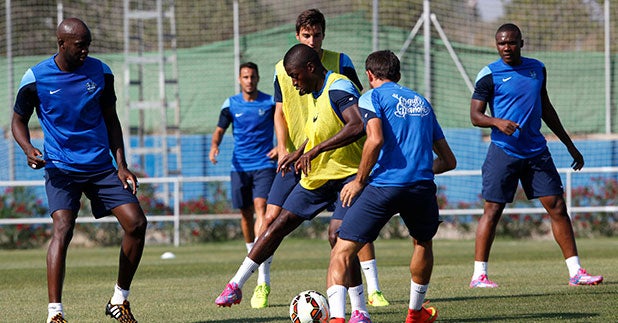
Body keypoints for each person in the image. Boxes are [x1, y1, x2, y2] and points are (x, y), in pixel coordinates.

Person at [216, 43, 372, 322]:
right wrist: (299, 151)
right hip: (318, 176)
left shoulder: (339, 87)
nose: (293, 83)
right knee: (277, 224)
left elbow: (356, 124)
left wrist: (314, 151)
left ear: (310, 68)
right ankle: (236, 285)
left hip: (348, 175)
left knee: (338, 236)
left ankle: (359, 310)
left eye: (295, 76)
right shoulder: (312, 92)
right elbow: (321, 131)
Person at [249, 8, 389, 309]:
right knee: (271, 218)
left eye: (317, 34)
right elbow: (280, 111)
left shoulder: (340, 63)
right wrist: (283, 147)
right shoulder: (282, 68)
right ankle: (262, 283)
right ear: (297, 36)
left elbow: (359, 105)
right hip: (300, 158)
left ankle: (373, 289)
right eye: (306, 35)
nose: (312, 40)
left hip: (342, 158)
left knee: (351, 226)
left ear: (324, 35)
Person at [11, 18, 146, 323]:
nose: (86, 50)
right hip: (61, 167)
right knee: (63, 227)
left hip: (100, 166)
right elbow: (18, 121)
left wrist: (122, 165)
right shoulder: (35, 78)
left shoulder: (101, 72)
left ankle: (119, 300)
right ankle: (55, 314)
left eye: (88, 44)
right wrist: (28, 148)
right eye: (80, 45)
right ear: (62, 44)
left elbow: (111, 119)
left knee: (136, 224)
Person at [468, 23, 603, 288]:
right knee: (492, 210)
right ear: (496, 45)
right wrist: (497, 122)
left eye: (511, 42)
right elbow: (475, 116)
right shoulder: (488, 74)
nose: (506, 47)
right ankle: (479, 276)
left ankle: (576, 272)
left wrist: (569, 144)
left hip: (536, 152)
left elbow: (546, 109)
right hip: (503, 151)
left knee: (557, 206)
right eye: (501, 43)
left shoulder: (537, 69)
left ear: (521, 42)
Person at [326, 50, 456, 323]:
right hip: (421, 187)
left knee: (342, 249)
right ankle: (415, 312)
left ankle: (338, 318)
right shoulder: (422, 102)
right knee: (422, 243)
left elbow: (374, 140)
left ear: (370, 75)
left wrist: (359, 181)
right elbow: (448, 160)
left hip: (384, 186)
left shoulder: (371, 97)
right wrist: (417, 168)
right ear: (398, 74)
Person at [209, 61, 277, 268]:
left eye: (252, 77)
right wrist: (214, 146)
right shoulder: (230, 104)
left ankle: (259, 252)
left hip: (265, 163)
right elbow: (219, 130)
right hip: (239, 166)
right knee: (246, 213)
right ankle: (251, 253)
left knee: (261, 207)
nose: (249, 81)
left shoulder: (270, 103)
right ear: (240, 79)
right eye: (245, 77)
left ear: (258, 78)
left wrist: (281, 148)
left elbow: (285, 125)